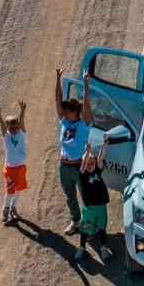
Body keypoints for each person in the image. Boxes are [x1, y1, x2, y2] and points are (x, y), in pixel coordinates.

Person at [52, 77, 89, 236]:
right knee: (70, 197)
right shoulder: (65, 123)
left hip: (79, 167)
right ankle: (76, 220)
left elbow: (86, 104)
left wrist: (86, 84)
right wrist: (58, 78)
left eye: (66, 111)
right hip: (64, 166)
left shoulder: (84, 125)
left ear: (74, 111)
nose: (63, 113)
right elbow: (57, 101)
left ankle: (89, 224)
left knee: (86, 197)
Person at [77, 141, 113, 258]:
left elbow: (100, 158)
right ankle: (81, 247)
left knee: (102, 227)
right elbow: (83, 165)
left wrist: (103, 146)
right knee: (85, 228)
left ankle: (103, 248)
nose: (90, 165)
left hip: (101, 206)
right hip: (90, 208)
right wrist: (87, 151)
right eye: (87, 163)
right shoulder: (83, 175)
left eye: (92, 163)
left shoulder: (98, 170)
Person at [0, 101, 28, 226]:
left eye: (16, 127)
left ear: (19, 126)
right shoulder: (6, 136)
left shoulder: (22, 133)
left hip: (21, 168)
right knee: (10, 191)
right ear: (8, 128)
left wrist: (23, 110)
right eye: (11, 128)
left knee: (18, 190)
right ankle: (5, 208)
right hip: (9, 169)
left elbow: (22, 120)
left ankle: (13, 208)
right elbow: (2, 127)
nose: (13, 130)